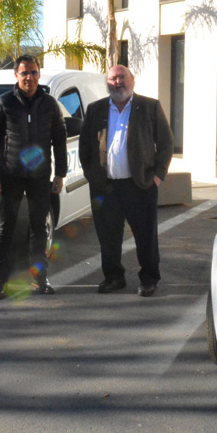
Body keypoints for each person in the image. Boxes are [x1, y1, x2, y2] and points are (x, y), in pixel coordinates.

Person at [79, 65, 174, 297]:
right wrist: (93, 177)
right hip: (106, 187)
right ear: (107, 83)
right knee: (108, 236)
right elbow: (85, 148)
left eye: (122, 77)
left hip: (140, 185)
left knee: (145, 236)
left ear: (132, 80)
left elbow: (166, 143)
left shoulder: (149, 107)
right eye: (113, 78)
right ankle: (113, 277)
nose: (117, 82)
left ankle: (149, 279)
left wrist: (158, 177)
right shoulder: (95, 109)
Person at [0, 54, 67, 300]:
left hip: (40, 177)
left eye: (33, 72)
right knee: (5, 228)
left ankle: (40, 280)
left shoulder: (50, 104)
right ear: (16, 75)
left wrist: (60, 173)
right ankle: (0, 282)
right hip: (10, 176)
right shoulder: (4, 103)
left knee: (39, 229)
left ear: (39, 74)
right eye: (24, 73)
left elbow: (59, 140)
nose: (29, 77)